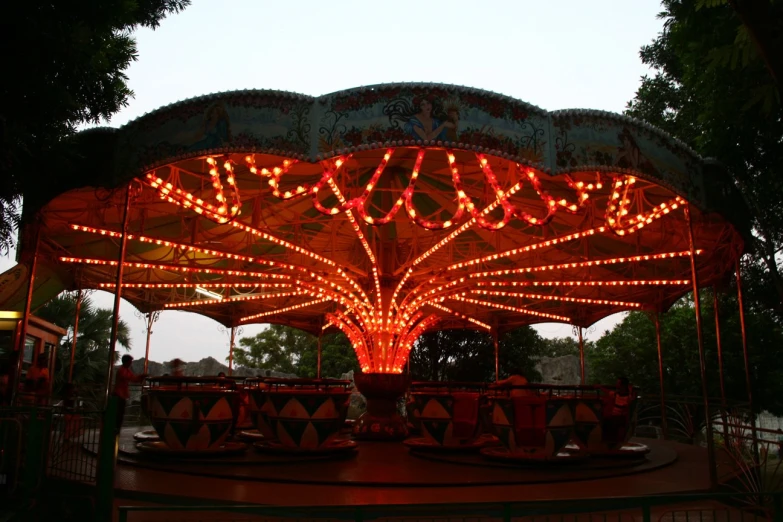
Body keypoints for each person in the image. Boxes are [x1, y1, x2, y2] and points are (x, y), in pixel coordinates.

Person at [113, 355, 146, 435]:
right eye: (130, 362)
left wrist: (140, 377)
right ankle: (115, 430)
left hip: (121, 395)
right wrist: (141, 377)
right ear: (126, 362)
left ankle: (116, 430)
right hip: (119, 394)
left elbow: (133, 378)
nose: (131, 364)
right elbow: (131, 378)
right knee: (118, 414)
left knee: (120, 414)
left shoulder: (125, 370)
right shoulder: (122, 370)